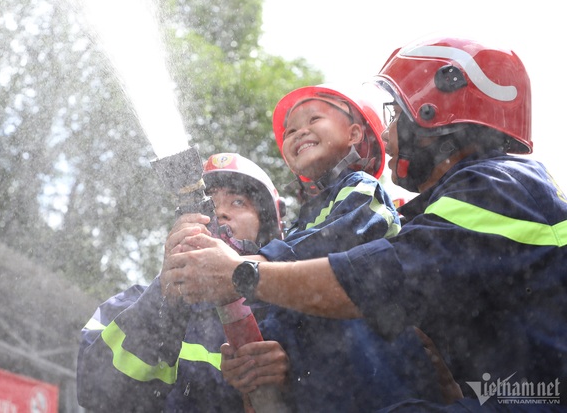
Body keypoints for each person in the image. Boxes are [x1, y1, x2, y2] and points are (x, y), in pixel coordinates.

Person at [164, 36, 567, 410]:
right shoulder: (440, 214)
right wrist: (275, 361)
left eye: (395, 115)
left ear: (437, 105)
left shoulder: (503, 184)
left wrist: (241, 273)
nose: (387, 134)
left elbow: (379, 281)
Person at [181, 85, 454, 411]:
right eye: (291, 130)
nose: (300, 132)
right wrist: (254, 355)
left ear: (354, 134)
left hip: (386, 390)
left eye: (314, 119)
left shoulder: (362, 192)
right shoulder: (300, 226)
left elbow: (333, 244)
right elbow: (286, 298)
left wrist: (249, 265)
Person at [76, 152, 286, 412]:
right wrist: (164, 298)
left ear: (266, 229)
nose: (219, 211)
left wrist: (287, 383)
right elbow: (95, 392)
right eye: (210, 201)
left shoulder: (286, 315)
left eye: (238, 201)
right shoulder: (128, 306)